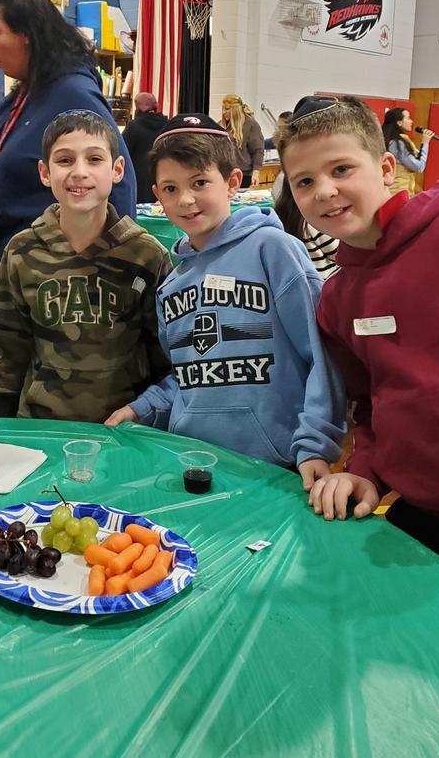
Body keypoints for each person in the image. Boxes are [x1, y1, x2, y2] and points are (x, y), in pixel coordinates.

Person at [277, 95, 439, 607]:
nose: (325, 191)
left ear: (387, 168)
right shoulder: (336, 299)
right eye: (304, 181)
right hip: (424, 522)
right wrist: (365, 472)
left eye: (341, 169)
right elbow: (370, 406)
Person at [105, 113, 346, 489]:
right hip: (193, 459)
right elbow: (188, 376)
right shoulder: (170, 287)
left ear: (233, 182)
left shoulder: (273, 249)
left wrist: (316, 443)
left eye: (199, 182)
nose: (186, 199)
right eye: (170, 188)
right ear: (157, 196)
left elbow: (321, 354)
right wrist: (144, 407)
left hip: (275, 463)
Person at [0, 0, 137, 393]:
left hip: (54, 280)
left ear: (26, 34)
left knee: (40, 394)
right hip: (6, 270)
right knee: (4, 384)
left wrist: (106, 266)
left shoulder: (73, 95)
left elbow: (119, 181)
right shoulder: (21, 97)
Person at [0, 110, 171, 422]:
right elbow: (9, 344)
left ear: (117, 169)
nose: (79, 172)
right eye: (65, 160)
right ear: (45, 172)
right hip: (41, 424)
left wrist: (149, 414)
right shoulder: (22, 250)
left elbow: (162, 354)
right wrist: (3, 417)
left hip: (123, 427)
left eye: (94, 159)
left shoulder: (146, 255)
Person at [273, 174, 339, 280]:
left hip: (299, 279)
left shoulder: (279, 215)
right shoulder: (313, 222)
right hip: (322, 281)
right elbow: (339, 255)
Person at [121, 92, 168, 202]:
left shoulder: (133, 127)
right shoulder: (167, 125)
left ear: (138, 107)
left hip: (138, 183)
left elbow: (122, 151)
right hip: (162, 178)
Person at [382, 107, 434, 196]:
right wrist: (425, 143)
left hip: (395, 191)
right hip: (398, 191)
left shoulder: (389, 140)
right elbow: (419, 167)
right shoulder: (397, 144)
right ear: (399, 122)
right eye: (408, 118)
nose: (411, 121)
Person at [220, 94, 264, 187]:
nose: (224, 112)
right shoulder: (221, 125)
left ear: (235, 109)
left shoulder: (250, 124)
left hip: (244, 174)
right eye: (223, 109)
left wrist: (256, 172)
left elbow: (258, 150)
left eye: (227, 109)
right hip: (225, 173)